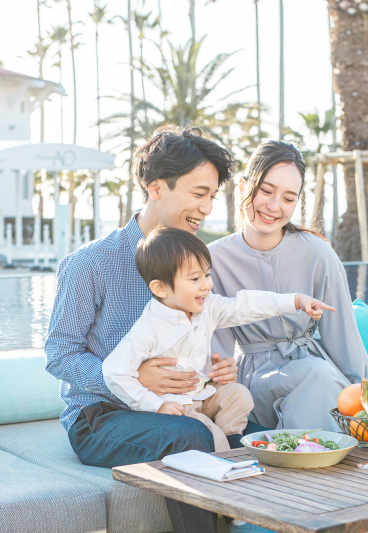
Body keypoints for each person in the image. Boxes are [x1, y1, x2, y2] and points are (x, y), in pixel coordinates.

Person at [45, 126, 243, 533]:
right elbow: (60, 354)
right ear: (156, 187)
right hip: (102, 416)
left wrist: (216, 369)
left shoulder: (195, 264)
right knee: (189, 437)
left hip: (179, 405)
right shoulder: (90, 264)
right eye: (198, 193)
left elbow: (202, 334)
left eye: (211, 196)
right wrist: (133, 378)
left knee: (256, 432)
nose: (207, 208)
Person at [103, 226, 334, 451]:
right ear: (160, 288)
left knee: (239, 394)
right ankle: (229, 459)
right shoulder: (149, 327)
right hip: (178, 406)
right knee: (209, 435)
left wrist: (295, 301)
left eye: (207, 274)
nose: (205, 285)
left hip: (203, 395)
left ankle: (233, 439)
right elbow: (114, 372)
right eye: (194, 279)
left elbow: (244, 305)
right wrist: (156, 404)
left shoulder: (208, 307)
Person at [209, 140, 368, 433]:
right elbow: (215, 343)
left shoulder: (319, 253)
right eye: (266, 191)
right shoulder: (213, 259)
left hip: (312, 367)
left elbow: (344, 337)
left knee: (323, 379)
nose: (274, 207)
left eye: (288, 198)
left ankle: (306, 463)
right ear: (245, 186)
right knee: (320, 378)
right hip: (254, 380)